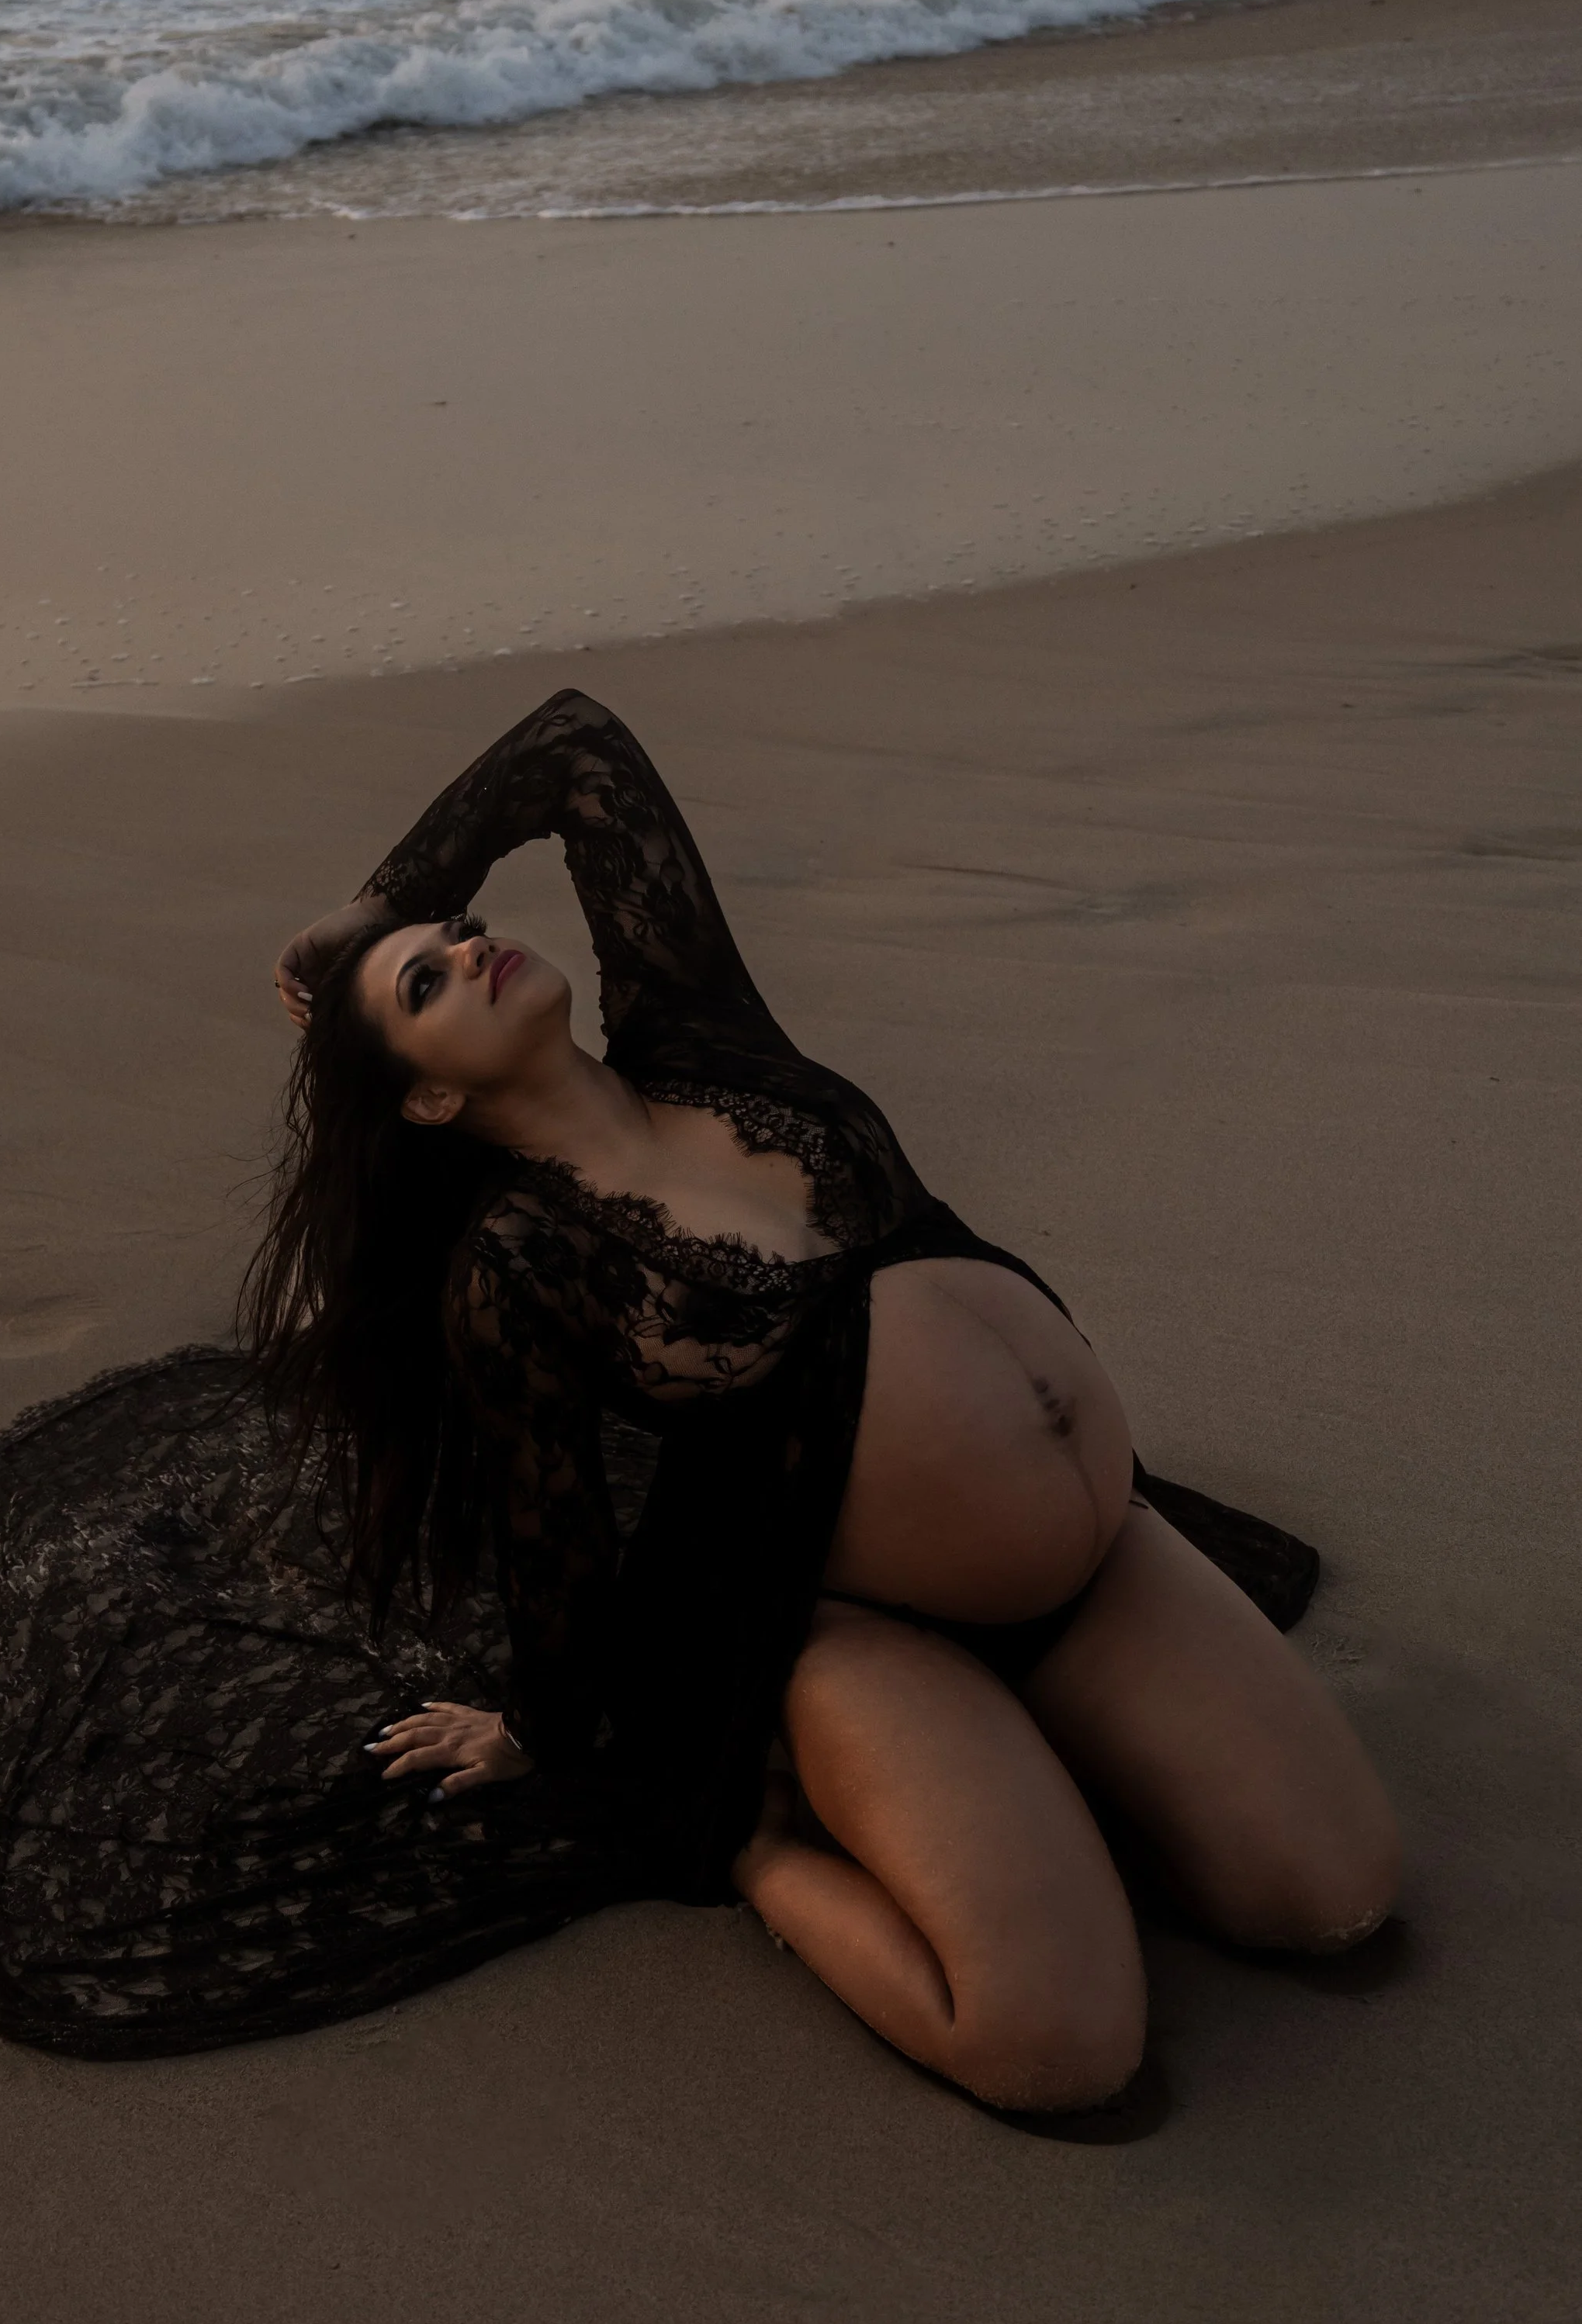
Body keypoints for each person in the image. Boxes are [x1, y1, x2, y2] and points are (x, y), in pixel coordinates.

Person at [255, 690, 1400, 2115]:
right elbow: (555, 1527)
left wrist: (374, 906)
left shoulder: (700, 1032)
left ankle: (1047, 1766)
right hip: (848, 1621)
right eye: (423, 986)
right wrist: (556, 1734)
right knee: (1057, 2047)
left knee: (1338, 1901)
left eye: (462, 935)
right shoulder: (520, 1263)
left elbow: (579, 751)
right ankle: (769, 1833)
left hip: (1093, 1560)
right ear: (424, 1103)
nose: (470, 948)